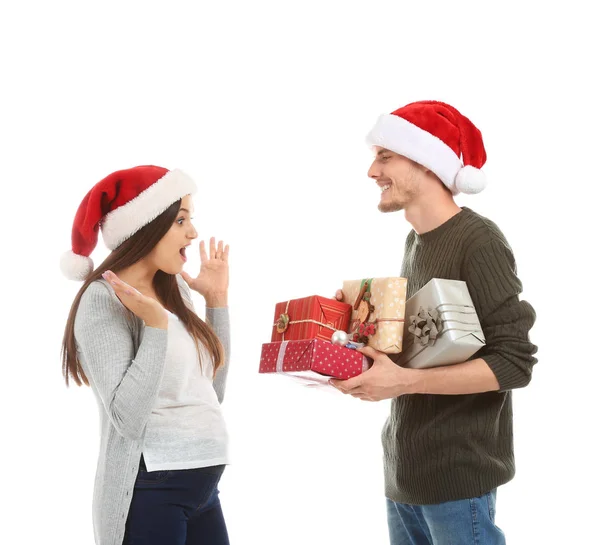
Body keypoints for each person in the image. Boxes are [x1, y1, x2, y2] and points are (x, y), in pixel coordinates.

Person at [330, 101, 538, 544]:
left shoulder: (478, 240)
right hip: (405, 471)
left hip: (456, 478)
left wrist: (402, 382)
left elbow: (514, 364)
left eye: (385, 156)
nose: (372, 171)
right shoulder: (416, 242)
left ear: (426, 162)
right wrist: (358, 332)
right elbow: (424, 350)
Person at [60, 165, 232, 545]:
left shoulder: (174, 293)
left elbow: (211, 392)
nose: (194, 232)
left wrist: (217, 302)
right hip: (153, 490)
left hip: (203, 486)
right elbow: (128, 417)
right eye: (181, 220)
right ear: (147, 226)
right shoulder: (101, 301)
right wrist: (155, 328)